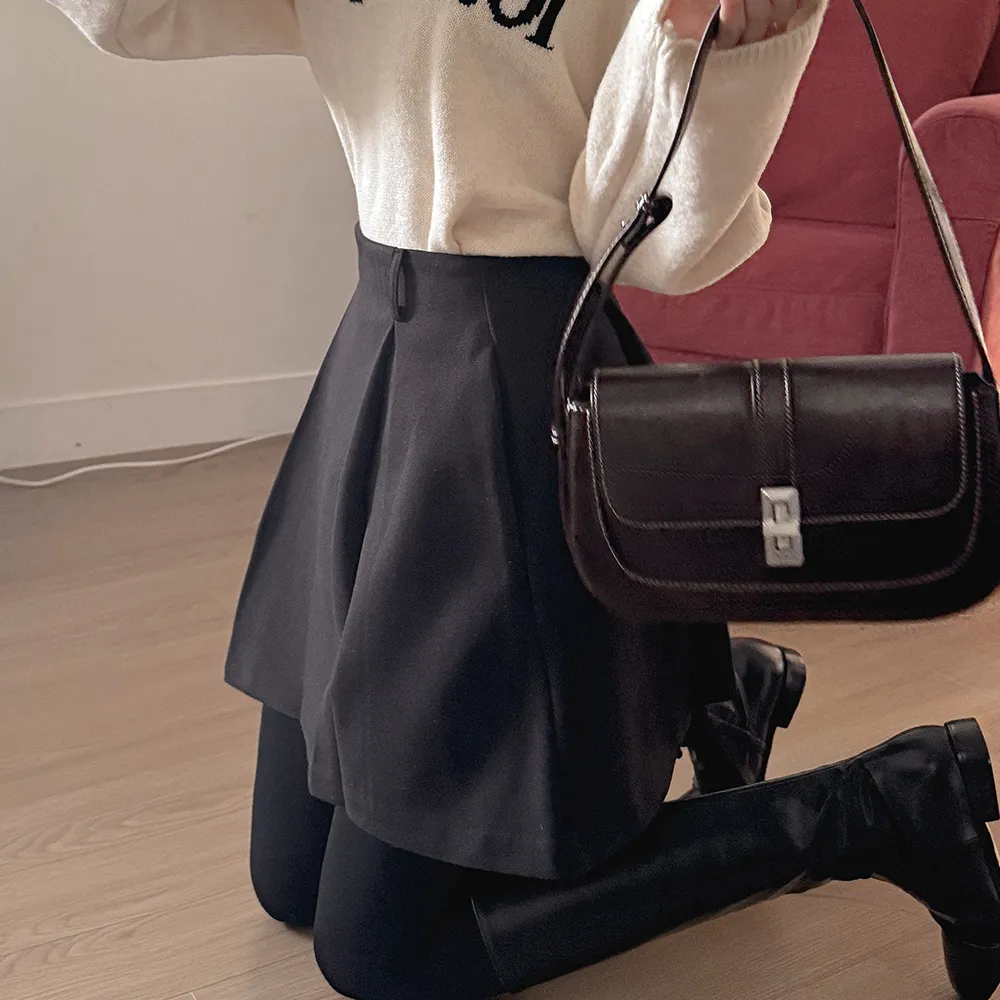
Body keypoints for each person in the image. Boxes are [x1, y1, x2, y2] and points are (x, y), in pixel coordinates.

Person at [48, 1, 1000, 998]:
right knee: (287, 883)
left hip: (510, 375)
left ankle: (879, 806)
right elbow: (135, 16)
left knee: (376, 956)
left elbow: (648, 238)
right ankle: (716, 687)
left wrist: (723, 53)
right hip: (379, 342)